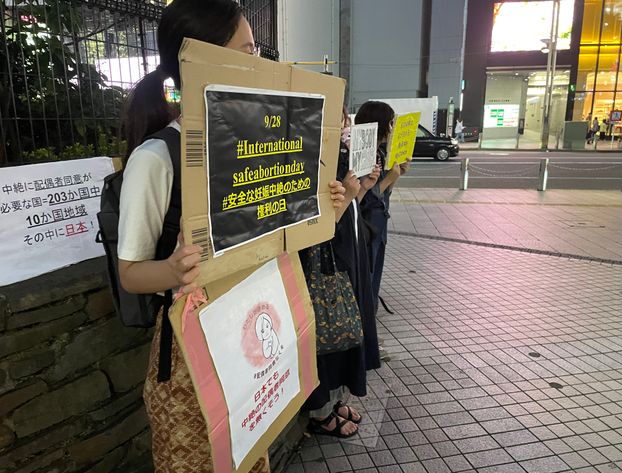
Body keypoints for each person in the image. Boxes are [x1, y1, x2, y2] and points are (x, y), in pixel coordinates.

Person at [117, 1, 346, 470]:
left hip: (251, 344)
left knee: (248, 458)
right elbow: (131, 274)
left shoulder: (258, 142)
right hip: (190, 354)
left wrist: (330, 210)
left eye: (256, 49)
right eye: (248, 50)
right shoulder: (157, 159)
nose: (260, 62)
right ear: (203, 59)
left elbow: (277, 234)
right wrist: (172, 269)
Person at [301, 107, 380, 439]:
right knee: (329, 341)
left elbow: (347, 212)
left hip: (347, 258)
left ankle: (333, 404)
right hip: (326, 268)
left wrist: (363, 189)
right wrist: (350, 194)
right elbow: (316, 228)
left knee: (344, 340)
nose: (345, 125)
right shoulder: (307, 158)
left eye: (345, 120)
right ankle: (321, 413)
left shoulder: (337, 154)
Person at [355, 101, 409, 312]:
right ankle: (365, 312)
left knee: (376, 263)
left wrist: (397, 175)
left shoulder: (382, 152)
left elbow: (385, 193)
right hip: (367, 221)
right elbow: (364, 198)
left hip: (380, 218)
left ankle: (371, 307)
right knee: (367, 265)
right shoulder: (362, 153)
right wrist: (389, 179)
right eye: (391, 123)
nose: (393, 128)